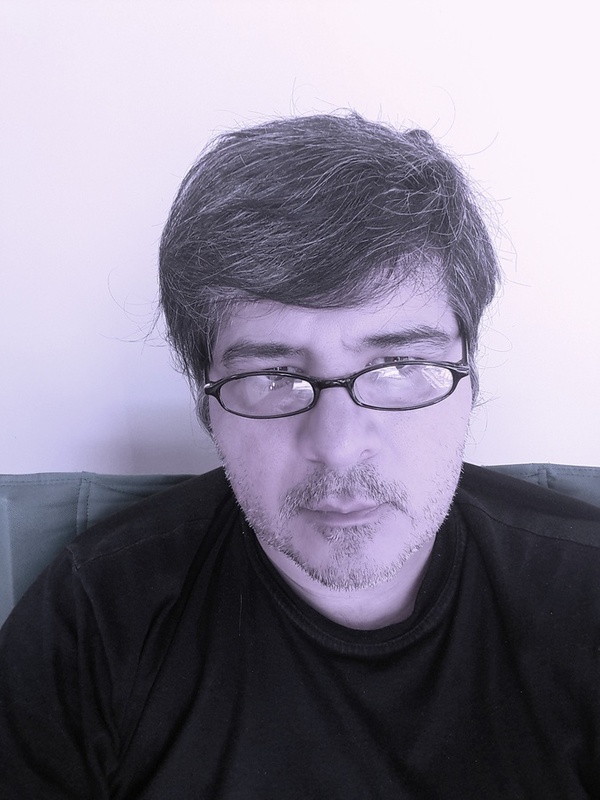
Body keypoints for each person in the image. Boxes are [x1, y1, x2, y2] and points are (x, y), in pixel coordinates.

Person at [1, 113, 599, 799]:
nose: (337, 446)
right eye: (273, 376)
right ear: (206, 406)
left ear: (470, 384)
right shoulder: (98, 620)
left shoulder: (587, 598)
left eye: (400, 365)